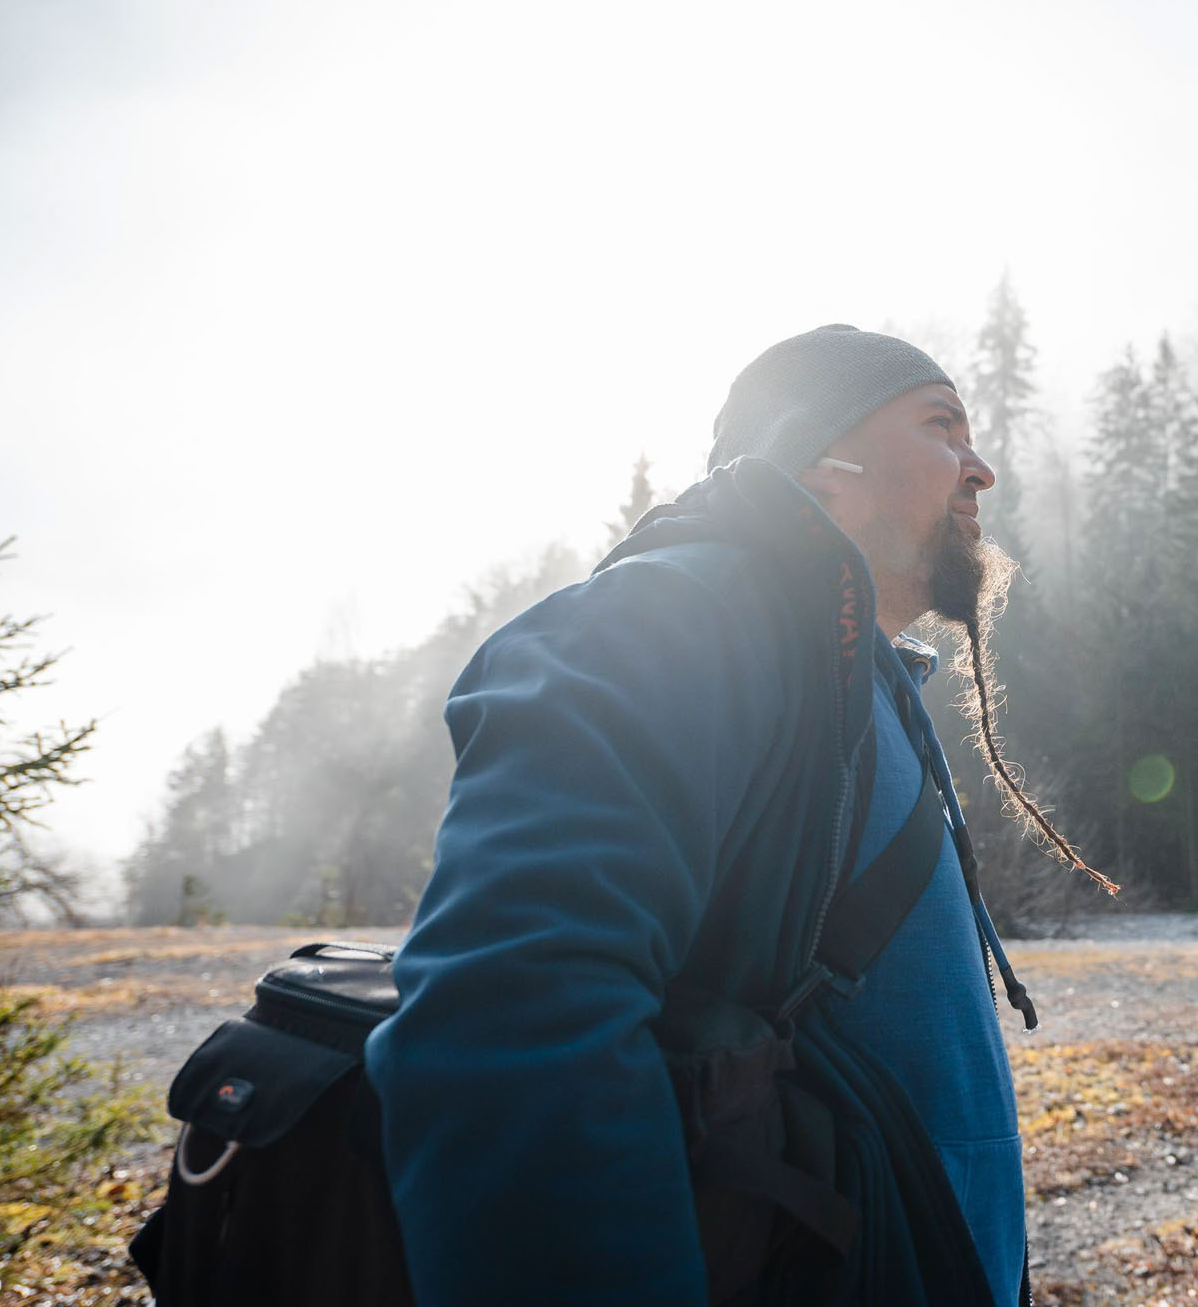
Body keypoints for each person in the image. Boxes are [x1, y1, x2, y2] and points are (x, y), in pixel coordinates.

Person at [366, 325, 1108, 1306]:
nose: (981, 469)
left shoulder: (854, 679)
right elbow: (512, 1020)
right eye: (940, 425)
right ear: (817, 456)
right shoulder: (677, 617)